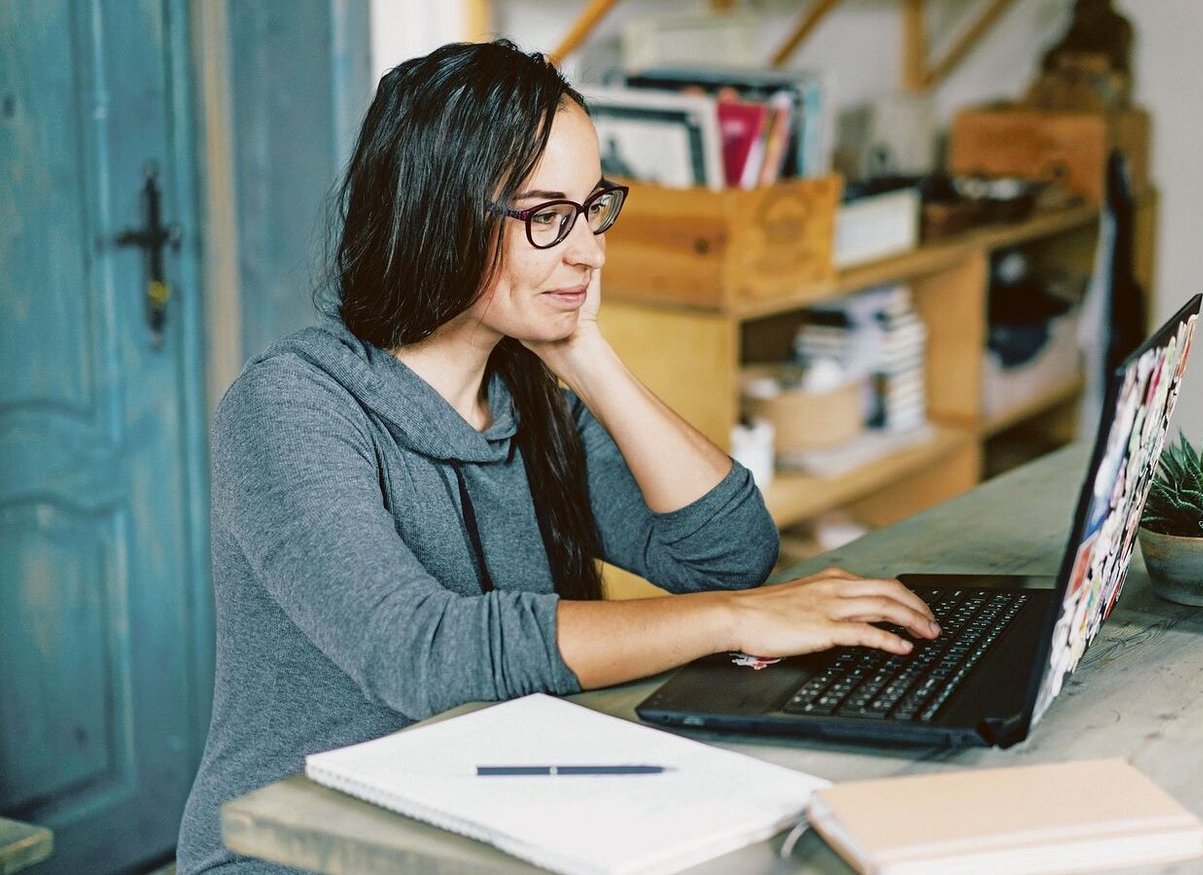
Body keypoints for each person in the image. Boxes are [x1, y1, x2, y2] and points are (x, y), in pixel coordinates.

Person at [177, 40, 938, 873]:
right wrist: (732, 619)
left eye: (592, 208)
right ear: (440, 216)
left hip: (490, 820)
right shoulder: (289, 407)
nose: (591, 252)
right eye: (548, 216)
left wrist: (589, 356)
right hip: (298, 852)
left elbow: (729, 554)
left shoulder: (528, 397)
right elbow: (419, 651)